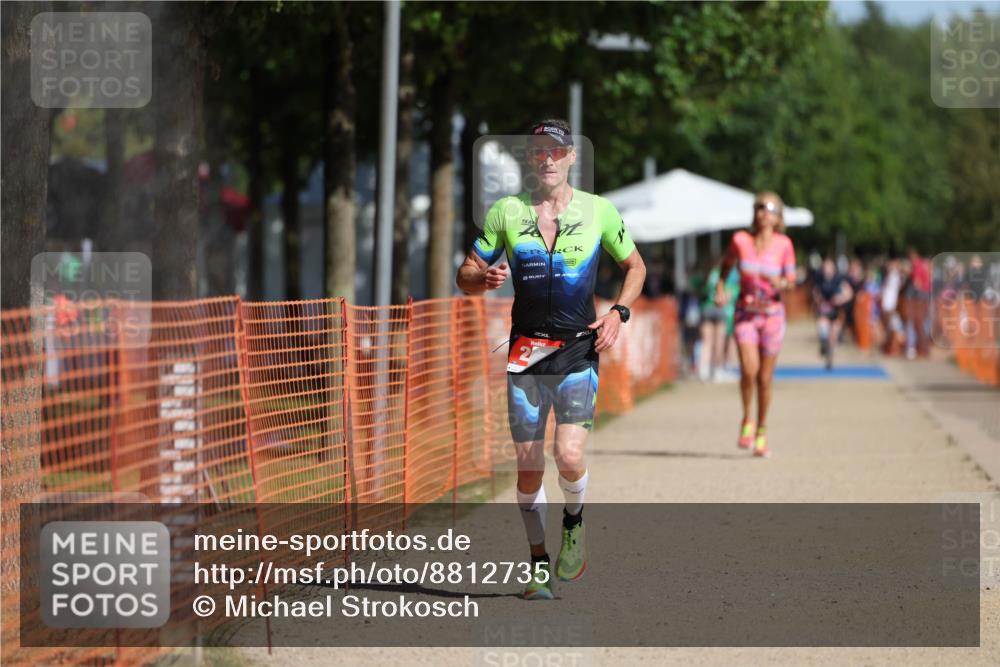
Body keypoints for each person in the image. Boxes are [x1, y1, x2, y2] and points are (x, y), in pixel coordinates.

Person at [455, 119, 646, 600]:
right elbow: (466, 274)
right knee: (526, 467)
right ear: (530, 158)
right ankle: (538, 562)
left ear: (571, 158)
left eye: (556, 152)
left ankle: (575, 523)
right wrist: (481, 281)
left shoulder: (599, 211)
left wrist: (620, 312)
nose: (547, 159)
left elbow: (635, 266)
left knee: (569, 454)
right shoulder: (507, 212)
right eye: (539, 151)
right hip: (526, 352)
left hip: (579, 350)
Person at [715, 192, 796, 458]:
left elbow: (791, 279)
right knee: (749, 371)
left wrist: (782, 283)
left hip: (772, 316)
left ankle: (762, 430)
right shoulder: (741, 240)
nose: (765, 211)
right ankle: (747, 419)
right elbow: (725, 266)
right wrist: (720, 287)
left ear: (779, 217)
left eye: (771, 208)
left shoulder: (784, 244)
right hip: (746, 314)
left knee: (764, 377)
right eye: (760, 206)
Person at [812, 257, 854, 370]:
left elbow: (849, 293)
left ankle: (830, 359)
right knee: (823, 330)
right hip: (824, 311)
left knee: (833, 337)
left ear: (833, 268)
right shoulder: (820, 280)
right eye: (825, 267)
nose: (827, 269)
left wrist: (840, 298)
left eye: (829, 267)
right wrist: (817, 300)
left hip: (837, 311)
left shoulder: (839, 280)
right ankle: (823, 346)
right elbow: (815, 292)